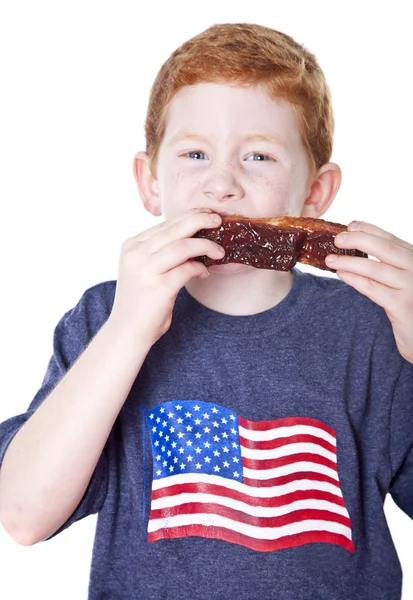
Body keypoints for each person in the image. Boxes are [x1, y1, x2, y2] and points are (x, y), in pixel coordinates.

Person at [0, 21, 413, 600]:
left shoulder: (373, 330)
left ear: (315, 195)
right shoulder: (107, 317)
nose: (222, 185)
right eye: (195, 153)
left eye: (259, 157)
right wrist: (126, 333)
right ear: (150, 182)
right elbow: (22, 516)